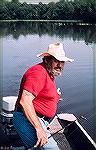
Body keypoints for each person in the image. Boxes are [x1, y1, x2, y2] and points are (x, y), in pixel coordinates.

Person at [13, 43, 74, 150]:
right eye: (56, 61)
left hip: (41, 120)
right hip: (27, 119)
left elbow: (42, 94)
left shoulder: (49, 73)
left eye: (62, 62)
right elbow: (25, 101)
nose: (60, 65)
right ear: (47, 59)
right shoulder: (38, 73)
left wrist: (55, 96)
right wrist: (39, 129)